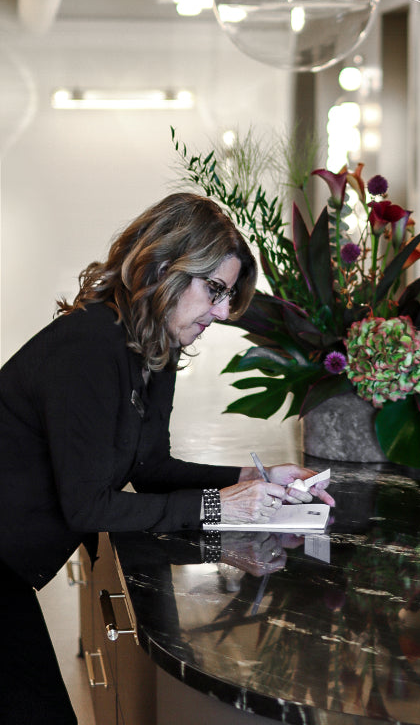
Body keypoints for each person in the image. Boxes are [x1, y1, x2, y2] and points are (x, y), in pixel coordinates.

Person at [0, 192, 333, 724]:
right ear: (162, 268)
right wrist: (219, 505)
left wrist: (250, 478)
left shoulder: (153, 348)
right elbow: (89, 508)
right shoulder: (87, 347)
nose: (222, 313)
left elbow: (149, 466)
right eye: (216, 291)